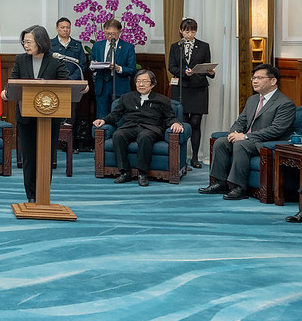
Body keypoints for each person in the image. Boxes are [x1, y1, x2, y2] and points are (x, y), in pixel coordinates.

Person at [199, 63, 296, 200]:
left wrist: (245, 137)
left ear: (273, 81)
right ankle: (221, 183)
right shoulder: (253, 100)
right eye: (253, 78)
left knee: (241, 145)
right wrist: (234, 133)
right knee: (221, 142)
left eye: (259, 78)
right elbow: (241, 121)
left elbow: (276, 130)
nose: (255, 81)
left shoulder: (285, 104)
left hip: (266, 143)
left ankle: (240, 187)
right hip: (248, 140)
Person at [1, 25, 70, 203]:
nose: (25, 45)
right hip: (26, 117)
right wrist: (6, 92)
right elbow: (13, 82)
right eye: (24, 42)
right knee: (29, 158)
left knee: (47, 157)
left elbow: (66, 85)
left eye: (29, 42)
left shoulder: (55, 61)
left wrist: (81, 88)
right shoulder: (21, 60)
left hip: (50, 117)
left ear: (40, 41)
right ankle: (31, 196)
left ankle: (43, 195)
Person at [92, 69, 184, 187]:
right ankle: (125, 172)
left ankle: (142, 173)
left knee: (144, 136)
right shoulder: (126, 98)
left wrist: (176, 123)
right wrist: (104, 120)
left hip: (151, 128)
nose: (141, 84)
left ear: (152, 84)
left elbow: (170, 116)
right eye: (138, 81)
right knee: (118, 135)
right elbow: (115, 115)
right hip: (130, 126)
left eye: (144, 81)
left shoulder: (162, 100)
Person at [167, 18, 215, 168]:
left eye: (193, 31)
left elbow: (207, 66)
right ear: (181, 31)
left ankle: (195, 157)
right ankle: (182, 158)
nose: (190, 34)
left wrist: (211, 72)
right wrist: (184, 72)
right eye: (187, 31)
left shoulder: (204, 46)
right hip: (181, 88)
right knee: (182, 123)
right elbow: (171, 67)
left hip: (199, 88)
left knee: (195, 123)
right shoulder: (175, 47)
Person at [89, 19, 136, 119]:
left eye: (113, 34)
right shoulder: (97, 46)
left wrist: (118, 68)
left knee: (119, 117)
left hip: (119, 86)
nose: (110, 36)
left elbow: (132, 70)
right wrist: (93, 66)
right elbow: (91, 63)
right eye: (107, 34)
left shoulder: (128, 47)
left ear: (120, 32)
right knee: (102, 118)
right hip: (102, 86)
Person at [51, 17, 86, 81]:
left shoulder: (77, 45)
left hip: (74, 80)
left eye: (68, 27)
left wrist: (72, 78)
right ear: (57, 28)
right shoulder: (50, 44)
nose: (65, 30)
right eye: (62, 27)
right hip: (56, 81)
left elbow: (82, 64)